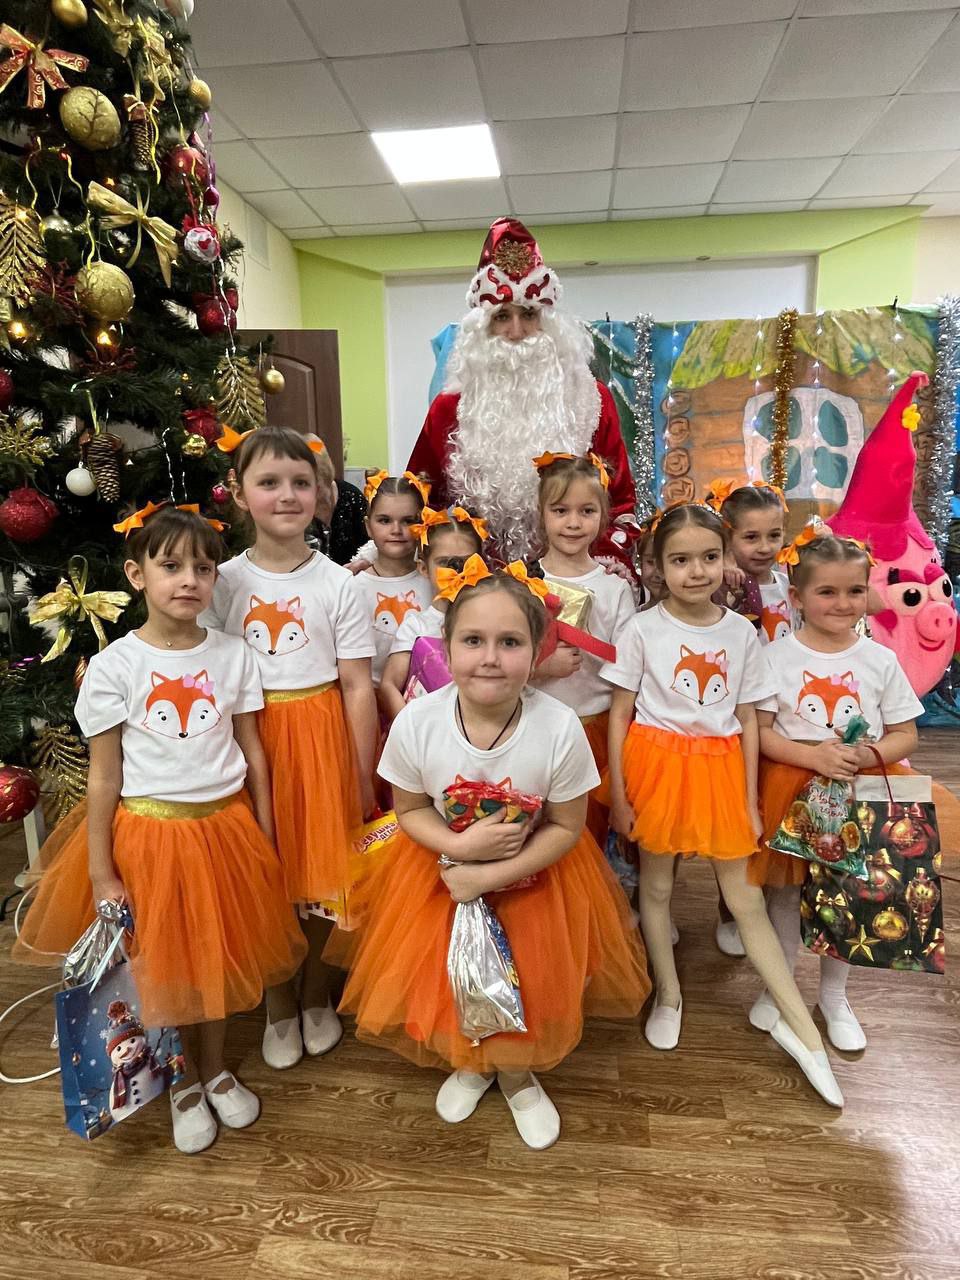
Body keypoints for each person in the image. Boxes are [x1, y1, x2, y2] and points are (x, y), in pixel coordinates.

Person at [13, 506, 306, 1154]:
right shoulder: (115, 666)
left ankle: (217, 1066)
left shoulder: (233, 655)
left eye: (203, 567)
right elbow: (103, 778)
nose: (189, 580)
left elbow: (253, 751)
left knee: (217, 958)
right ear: (136, 574)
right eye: (171, 565)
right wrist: (101, 870)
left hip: (226, 831)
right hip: (150, 838)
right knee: (165, 968)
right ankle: (183, 1083)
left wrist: (262, 830)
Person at [333, 565, 649, 1149]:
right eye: (474, 640)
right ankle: (473, 1063)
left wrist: (492, 874)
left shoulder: (558, 728)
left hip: (537, 879)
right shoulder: (417, 722)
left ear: (537, 650)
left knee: (527, 979)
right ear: (446, 646)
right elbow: (410, 810)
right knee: (450, 976)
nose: (490, 658)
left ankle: (517, 1075)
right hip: (438, 876)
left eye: (510, 642)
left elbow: (567, 826)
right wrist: (459, 850)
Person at [601, 503, 844, 1107]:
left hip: (720, 769)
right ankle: (668, 994)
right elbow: (620, 714)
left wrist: (751, 800)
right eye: (681, 560)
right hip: (656, 766)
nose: (697, 571)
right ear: (657, 567)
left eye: (709, 557)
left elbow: (748, 720)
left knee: (746, 898)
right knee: (657, 887)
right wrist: (621, 794)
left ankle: (802, 1028)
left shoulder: (741, 633)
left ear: (726, 557)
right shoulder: (641, 630)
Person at [202, 426, 378, 1071]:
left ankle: (313, 992)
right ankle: (277, 998)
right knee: (264, 873)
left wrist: (362, 773)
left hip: (321, 739)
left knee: (321, 872)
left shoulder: (340, 584)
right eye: (269, 482)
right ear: (239, 493)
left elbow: (357, 685)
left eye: (301, 483)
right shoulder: (221, 582)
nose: (286, 495)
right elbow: (204, 670)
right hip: (246, 741)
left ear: (321, 492)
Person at [748, 529, 923, 1051]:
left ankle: (833, 995)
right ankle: (780, 987)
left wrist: (866, 755)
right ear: (797, 597)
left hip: (858, 786)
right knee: (784, 896)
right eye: (827, 591)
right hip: (791, 783)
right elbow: (760, 731)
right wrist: (813, 757)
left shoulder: (879, 659)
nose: (842, 603)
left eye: (854, 591)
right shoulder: (774, 657)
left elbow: (906, 733)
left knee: (847, 896)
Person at [405, 217, 636, 565]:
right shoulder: (449, 408)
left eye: (528, 314)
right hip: (476, 581)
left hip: (573, 579)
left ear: (548, 322)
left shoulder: (591, 399)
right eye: (502, 316)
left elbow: (619, 502)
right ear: (482, 328)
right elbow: (417, 501)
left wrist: (603, 567)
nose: (516, 332)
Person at [705, 479, 792, 958]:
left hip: (782, 712)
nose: (764, 547)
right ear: (729, 538)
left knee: (771, 813)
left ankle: (776, 898)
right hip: (737, 714)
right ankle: (730, 909)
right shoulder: (723, 585)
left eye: (773, 535)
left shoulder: (787, 582)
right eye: (751, 537)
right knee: (738, 819)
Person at [529, 453, 635, 845]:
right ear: (542, 514)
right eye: (560, 511)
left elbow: (626, 674)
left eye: (586, 511)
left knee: (588, 835)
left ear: (602, 516)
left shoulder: (615, 589)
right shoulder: (522, 580)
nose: (573, 523)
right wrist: (540, 667)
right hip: (533, 726)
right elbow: (501, 659)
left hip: (596, 730)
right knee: (537, 832)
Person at [378, 505, 487, 719]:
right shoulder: (416, 627)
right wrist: (410, 729)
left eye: (466, 562)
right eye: (445, 562)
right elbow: (389, 685)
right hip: (426, 727)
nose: (457, 570)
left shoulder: (491, 620)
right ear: (424, 568)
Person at [350, 470, 433, 702]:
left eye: (408, 521)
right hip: (370, 702)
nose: (396, 530)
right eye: (385, 520)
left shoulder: (435, 583)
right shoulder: (353, 587)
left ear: (423, 525)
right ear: (368, 526)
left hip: (427, 702)